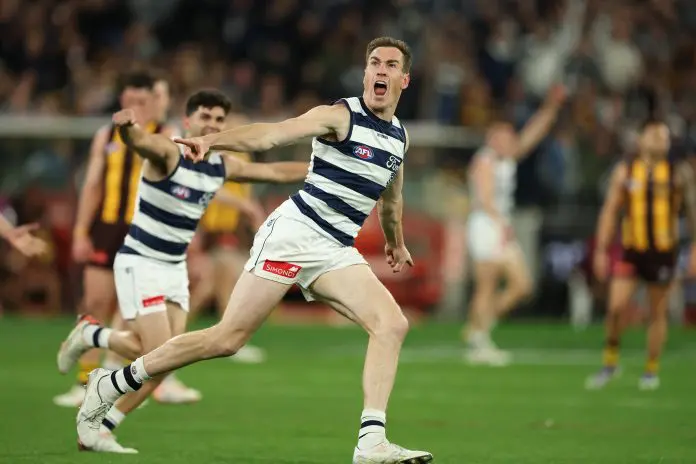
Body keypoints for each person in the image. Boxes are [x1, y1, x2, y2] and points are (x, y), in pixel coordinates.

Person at [67, 37, 432, 463]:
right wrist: (214, 141)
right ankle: (111, 384)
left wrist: (396, 241)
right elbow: (270, 136)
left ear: (404, 79)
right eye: (374, 63)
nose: (381, 71)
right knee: (227, 339)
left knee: (391, 324)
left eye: (390, 65)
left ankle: (370, 443)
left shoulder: (398, 139)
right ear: (366, 72)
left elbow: (391, 199)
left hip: (335, 248)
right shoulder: (339, 115)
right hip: (294, 235)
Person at [57, 88, 309, 453]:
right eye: (205, 118)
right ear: (188, 121)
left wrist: (325, 168)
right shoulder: (168, 152)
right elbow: (142, 142)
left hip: (173, 268)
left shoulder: (221, 165)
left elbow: (272, 170)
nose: (212, 125)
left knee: (165, 363)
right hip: (140, 260)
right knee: (156, 355)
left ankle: (102, 420)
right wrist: (128, 129)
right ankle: (94, 352)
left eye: (219, 121)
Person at [53, 71, 175, 408]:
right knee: (94, 303)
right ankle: (84, 380)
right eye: (129, 100)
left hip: (147, 232)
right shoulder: (105, 134)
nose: (134, 106)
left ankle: (122, 379)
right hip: (107, 228)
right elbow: (92, 185)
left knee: (135, 312)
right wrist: (81, 231)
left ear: (154, 102)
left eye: (141, 101)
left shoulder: (166, 135)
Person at [585, 119, 696, 391]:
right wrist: (600, 249)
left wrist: (694, 247)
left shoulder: (678, 172)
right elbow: (610, 210)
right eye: (655, 134)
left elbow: (692, 212)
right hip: (631, 249)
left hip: (662, 250)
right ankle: (610, 362)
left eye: (665, 136)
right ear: (641, 139)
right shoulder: (625, 171)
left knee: (657, 312)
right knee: (615, 307)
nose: (661, 140)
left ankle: (651, 369)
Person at [463, 85, 567, 366]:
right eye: (504, 136)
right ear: (493, 139)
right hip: (486, 225)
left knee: (522, 285)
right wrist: (500, 223)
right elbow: (484, 198)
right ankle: (480, 341)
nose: (511, 141)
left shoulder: (505, 158)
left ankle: (478, 327)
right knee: (486, 285)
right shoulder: (484, 161)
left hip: (499, 224)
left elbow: (533, 135)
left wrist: (551, 108)